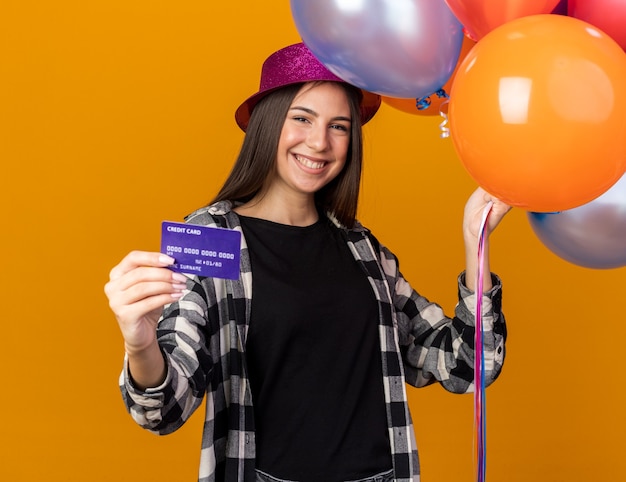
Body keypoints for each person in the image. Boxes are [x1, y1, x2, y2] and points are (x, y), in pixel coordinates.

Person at [104, 42, 511, 482]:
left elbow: (468, 367)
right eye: (302, 118)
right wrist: (141, 343)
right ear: (267, 122)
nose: (319, 142)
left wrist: (476, 243)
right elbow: (163, 410)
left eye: (339, 126)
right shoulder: (211, 238)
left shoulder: (361, 249)